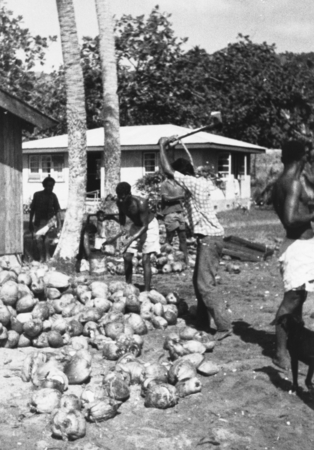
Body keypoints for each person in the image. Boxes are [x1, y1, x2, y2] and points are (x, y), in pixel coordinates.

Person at [158, 137, 232, 341]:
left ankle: (224, 325)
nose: (175, 184)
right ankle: (201, 320)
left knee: (205, 284)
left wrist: (161, 145)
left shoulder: (192, 183)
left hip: (210, 238)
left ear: (183, 176)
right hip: (208, 238)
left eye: (177, 179)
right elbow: (172, 172)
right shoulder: (196, 183)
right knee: (198, 281)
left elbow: (168, 170)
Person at [272, 139, 314, 370]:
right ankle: (280, 352)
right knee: (292, 299)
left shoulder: (287, 181)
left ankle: (292, 341)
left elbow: (300, 206)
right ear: (302, 155)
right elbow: (290, 219)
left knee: (299, 296)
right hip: (297, 247)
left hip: (300, 246)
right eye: (309, 152)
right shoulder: (292, 183)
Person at [103, 182, 160, 291]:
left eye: (123, 197)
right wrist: (115, 222)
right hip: (136, 226)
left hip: (149, 226)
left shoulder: (141, 202)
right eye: (119, 197)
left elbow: (145, 226)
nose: (121, 200)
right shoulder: (119, 202)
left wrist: (131, 239)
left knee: (145, 258)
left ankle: (147, 290)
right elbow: (122, 219)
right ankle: (128, 285)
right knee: (126, 256)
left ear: (129, 194)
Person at [29, 176, 61, 263]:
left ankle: (47, 255)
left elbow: (57, 210)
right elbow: (32, 210)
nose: (50, 188)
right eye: (48, 186)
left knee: (47, 239)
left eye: (52, 186)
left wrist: (59, 224)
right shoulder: (37, 195)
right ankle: (41, 256)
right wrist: (30, 222)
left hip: (49, 221)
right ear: (44, 185)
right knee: (38, 238)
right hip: (39, 220)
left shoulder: (53, 196)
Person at [160, 177, 189, 265]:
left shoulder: (179, 183)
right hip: (170, 213)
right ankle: (164, 260)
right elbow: (166, 198)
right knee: (169, 238)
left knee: (183, 238)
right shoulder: (165, 184)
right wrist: (180, 197)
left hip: (180, 213)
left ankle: (185, 261)